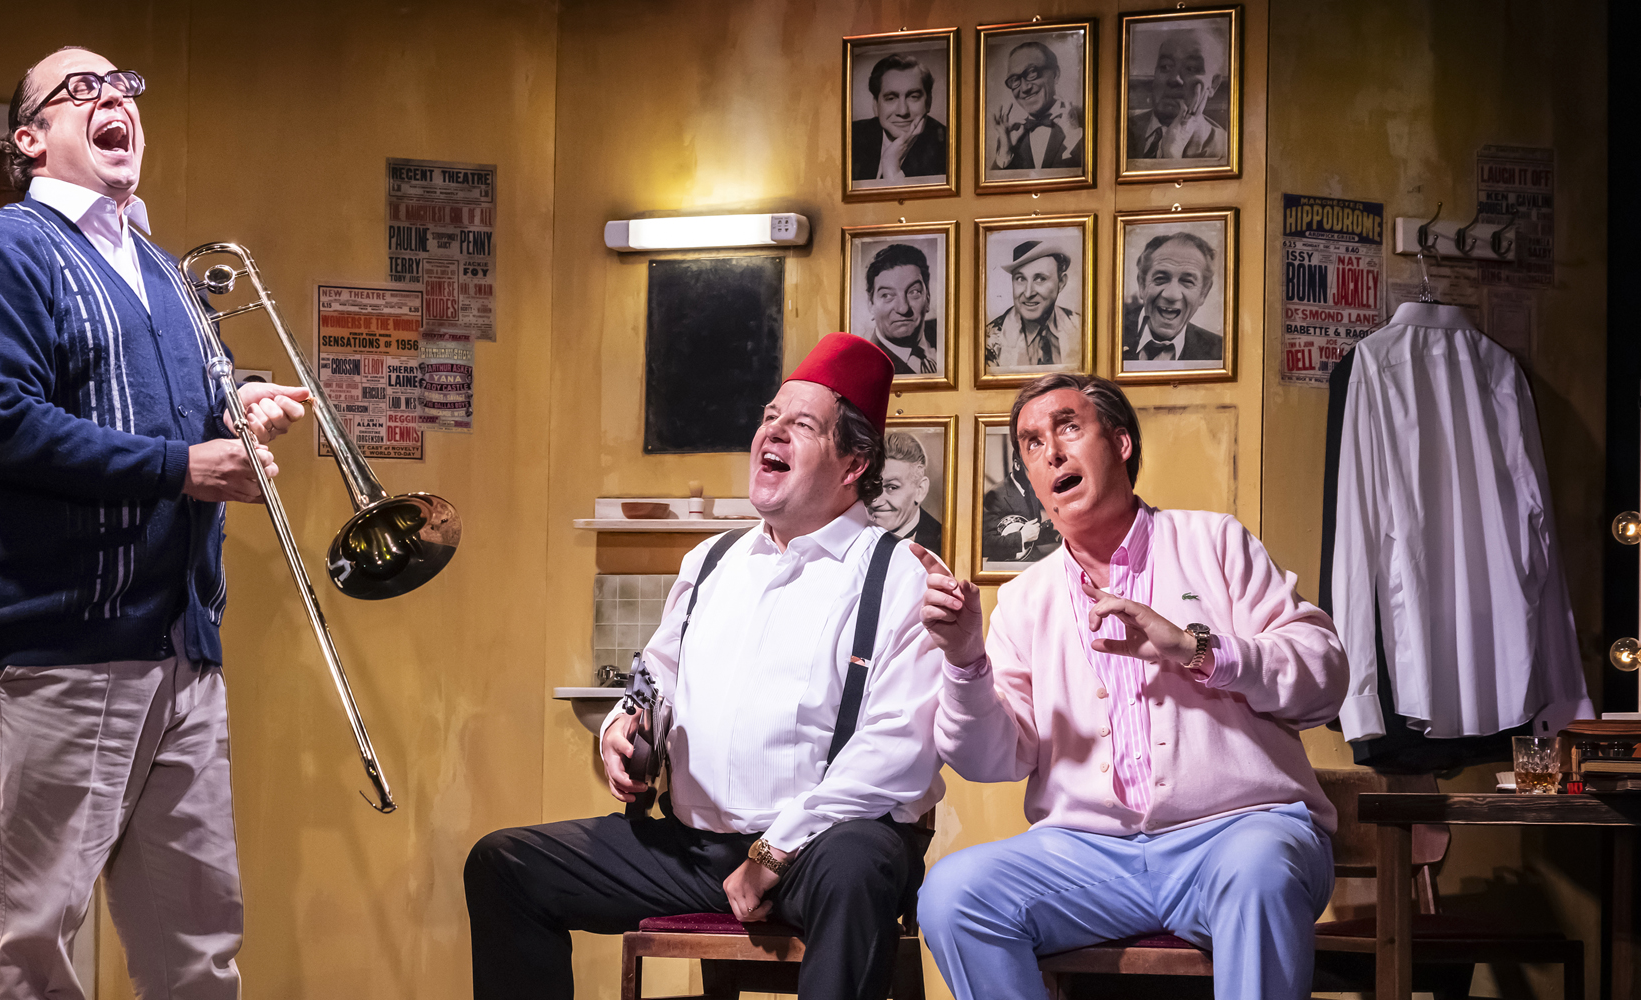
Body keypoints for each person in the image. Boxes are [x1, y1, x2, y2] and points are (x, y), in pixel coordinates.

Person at [0, 46, 315, 1000]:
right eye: (81, 90)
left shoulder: (160, 266)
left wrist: (241, 404)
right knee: (38, 952)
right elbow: (3, 424)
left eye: (124, 87)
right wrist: (182, 468)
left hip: (181, 651)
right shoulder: (4, 251)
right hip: (64, 645)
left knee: (199, 956)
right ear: (30, 140)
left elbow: (185, 407)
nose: (114, 99)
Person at [465, 334, 946, 1000]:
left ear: (853, 463)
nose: (772, 432)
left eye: (802, 425)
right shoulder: (711, 562)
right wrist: (624, 727)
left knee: (859, 864)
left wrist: (773, 852)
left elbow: (899, 751)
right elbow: (656, 679)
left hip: (819, 852)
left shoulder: (901, 577)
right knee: (505, 865)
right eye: (770, 417)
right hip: (692, 850)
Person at [913, 373, 1347, 1000]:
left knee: (1259, 872)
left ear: (1120, 444)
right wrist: (963, 661)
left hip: (1237, 834)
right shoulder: (1024, 600)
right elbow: (990, 760)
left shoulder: (1215, 542)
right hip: (1089, 857)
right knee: (954, 895)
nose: (1051, 452)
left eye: (1068, 427)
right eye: (1031, 443)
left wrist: (1198, 650)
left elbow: (1324, 676)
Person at [1126, 28, 1229, 161]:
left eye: (1191, 68)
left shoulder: (1224, 149)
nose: (1174, 79)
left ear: (1213, 84)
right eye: (1165, 67)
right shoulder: (1121, 130)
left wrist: (1172, 155)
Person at [1121, 231, 1225, 363]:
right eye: (1160, 278)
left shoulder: (1221, 352)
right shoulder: (1108, 336)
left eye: (1187, 281)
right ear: (1142, 285)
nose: (1172, 295)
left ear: (1203, 293)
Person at [851, 52, 950, 182]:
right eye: (891, 98)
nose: (903, 111)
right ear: (875, 105)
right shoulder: (851, 136)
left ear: (928, 102)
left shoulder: (949, 147)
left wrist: (891, 166)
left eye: (913, 97)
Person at [985, 239, 1081, 371]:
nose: (1028, 293)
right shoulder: (988, 341)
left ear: (1061, 283)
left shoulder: (1082, 328)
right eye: (1020, 279)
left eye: (1040, 279)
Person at [988, 40, 1083, 171]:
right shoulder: (1010, 137)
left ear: (1055, 75)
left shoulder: (1084, 120)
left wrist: (1074, 136)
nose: (1024, 88)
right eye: (1014, 80)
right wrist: (1005, 151)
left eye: (1031, 73)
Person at [860, 243, 939, 375]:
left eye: (914, 292)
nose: (903, 308)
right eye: (887, 295)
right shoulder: (866, 368)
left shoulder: (948, 334)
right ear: (871, 304)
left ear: (928, 298)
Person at [981, 434, 1058, 565]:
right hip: (1007, 565)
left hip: (1032, 559)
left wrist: (1055, 535)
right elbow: (984, 544)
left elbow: (1033, 535)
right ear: (1017, 465)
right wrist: (1021, 537)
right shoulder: (995, 495)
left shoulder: (1031, 489)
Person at [870, 431, 943, 555]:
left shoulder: (944, 542)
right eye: (873, 486)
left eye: (892, 487)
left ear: (920, 490)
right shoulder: (852, 535)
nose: (875, 502)